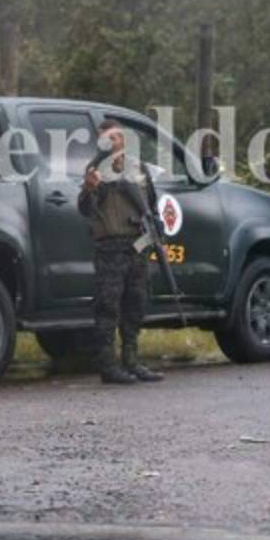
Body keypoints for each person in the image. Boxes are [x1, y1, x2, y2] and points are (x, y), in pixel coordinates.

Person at [78, 120, 165, 386]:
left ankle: (131, 361)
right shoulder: (96, 171)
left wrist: (156, 229)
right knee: (108, 307)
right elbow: (85, 209)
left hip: (137, 245)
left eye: (114, 137)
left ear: (124, 140)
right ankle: (108, 366)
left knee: (135, 304)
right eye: (105, 139)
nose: (110, 142)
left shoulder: (139, 168)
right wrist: (89, 188)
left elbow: (151, 205)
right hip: (110, 248)